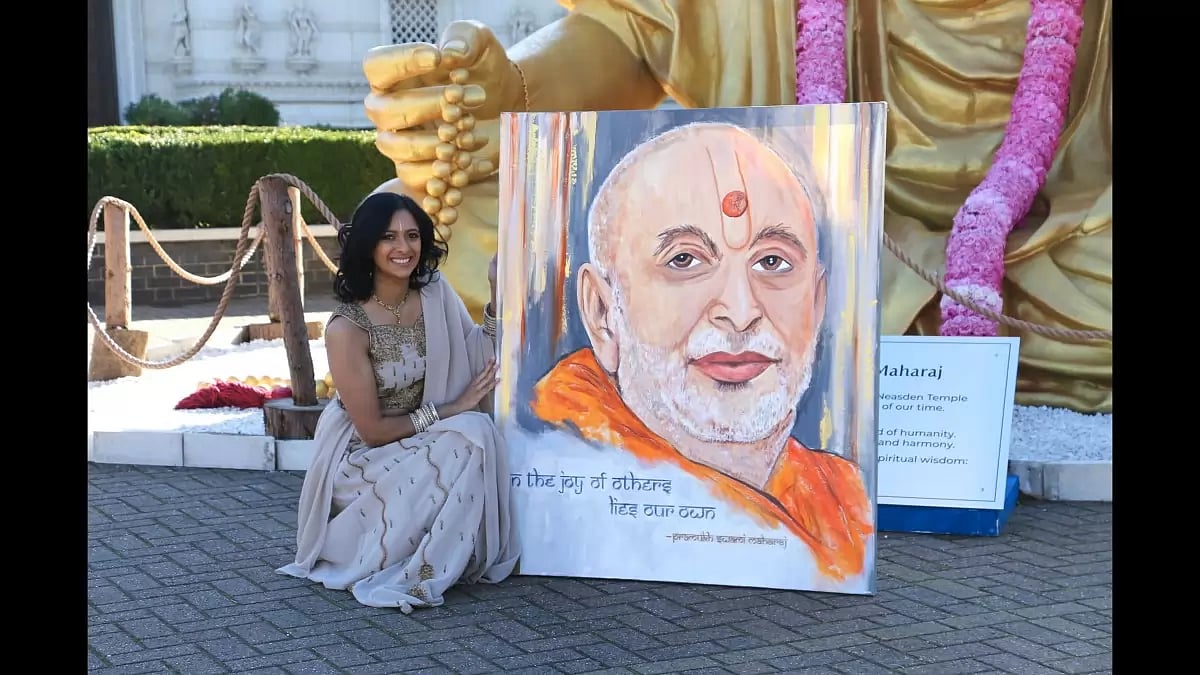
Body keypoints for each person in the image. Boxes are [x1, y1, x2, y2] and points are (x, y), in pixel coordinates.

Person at [359, 0, 1112, 415]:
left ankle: (875, 335)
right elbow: (633, 33)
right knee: (429, 218)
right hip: (780, 232)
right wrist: (507, 91)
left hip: (1056, 244)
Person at [528, 123, 873, 585]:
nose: (741, 311)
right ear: (603, 312)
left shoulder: (845, 500)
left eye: (773, 262)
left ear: (815, 303)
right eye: (684, 260)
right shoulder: (552, 464)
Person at [277, 192, 519, 613]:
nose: (403, 248)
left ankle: (441, 557)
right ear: (369, 245)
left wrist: (497, 290)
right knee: (471, 433)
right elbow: (372, 431)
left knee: (475, 432)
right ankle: (423, 570)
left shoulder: (434, 294)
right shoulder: (346, 328)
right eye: (389, 237)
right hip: (361, 459)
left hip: (424, 440)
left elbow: (478, 357)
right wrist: (452, 409)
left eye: (412, 236)